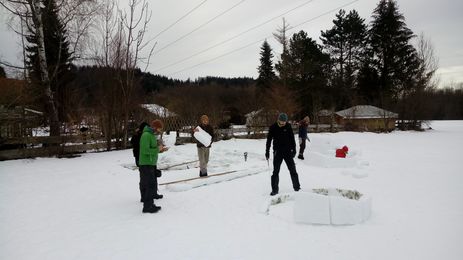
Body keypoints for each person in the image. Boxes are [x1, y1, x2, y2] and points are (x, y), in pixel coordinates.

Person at [265, 113, 301, 196]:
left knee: (293, 170)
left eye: (285, 121)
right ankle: (275, 190)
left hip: (287, 152)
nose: (283, 123)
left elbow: (292, 138)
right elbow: (269, 140)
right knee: (275, 171)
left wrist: (294, 149)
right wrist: (267, 151)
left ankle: (297, 187)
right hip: (278, 152)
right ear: (278, 120)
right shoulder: (273, 127)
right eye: (282, 121)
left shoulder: (288, 126)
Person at [139, 119, 168, 213]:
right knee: (148, 185)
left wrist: (160, 149)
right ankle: (147, 206)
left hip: (150, 163)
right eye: (159, 129)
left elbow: (152, 149)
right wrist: (157, 149)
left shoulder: (151, 135)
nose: (159, 131)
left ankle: (150, 204)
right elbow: (145, 151)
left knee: (151, 184)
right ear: (155, 127)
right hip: (146, 164)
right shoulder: (146, 135)